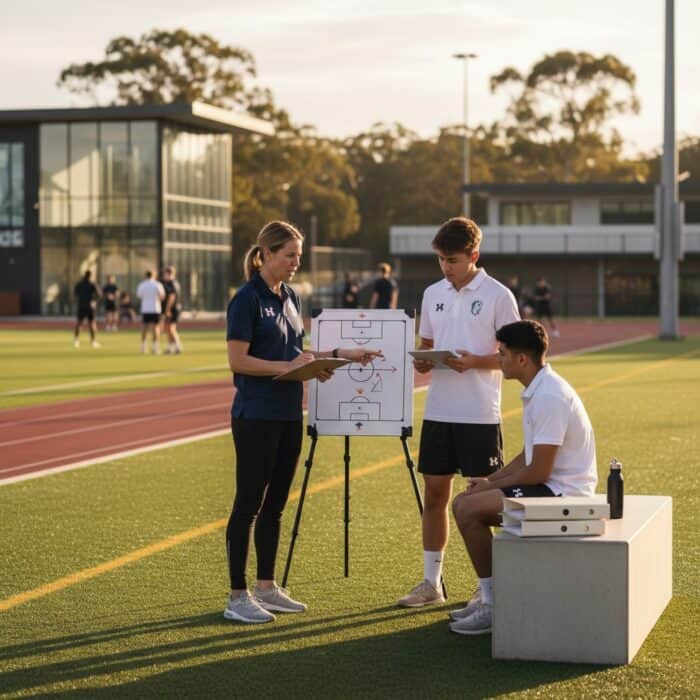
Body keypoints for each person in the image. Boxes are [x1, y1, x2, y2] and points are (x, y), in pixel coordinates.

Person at [224, 220, 383, 624]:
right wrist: (289, 366)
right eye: (290, 255)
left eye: (298, 255)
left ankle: (266, 587)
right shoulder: (245, 299)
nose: (296, 263)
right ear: (266, 255)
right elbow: (238, 361)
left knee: (276, 506)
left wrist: (340, 354)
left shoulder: (289, 295)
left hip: (289, 413)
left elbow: (297, 351)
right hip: (256, 415)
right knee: (248, 504)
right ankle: (237, 596)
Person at [398, 217, 520, 609]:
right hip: (439, 411)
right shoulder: (433, 292)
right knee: (434, 495)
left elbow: (516, 357)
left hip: (480, 414)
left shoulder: (500, 296)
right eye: (440, 260)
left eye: (451, 260)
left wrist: (477, 362)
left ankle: (490, 588)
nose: (445, 267)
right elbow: (428, 343)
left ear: (474, 256)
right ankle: (431, 583)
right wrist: (423, 361)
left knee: (481, 503)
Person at [449, 320, 597, 635]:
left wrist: (492, 485)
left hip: (564, 495)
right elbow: (527, 458)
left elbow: (538, 471)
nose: (497, 359)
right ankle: (490, 594)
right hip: (549, 486)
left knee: (466, 508)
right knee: (464, 501)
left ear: (521, 360)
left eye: (502, 354)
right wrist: (490, 480)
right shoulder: (540, 388)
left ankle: (494, 602)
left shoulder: (549, 396)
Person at [136, 270, 165, 354]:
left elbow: (139, 295)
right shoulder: (157, 284)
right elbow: (162, 296)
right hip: (155, 308)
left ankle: (143, 347)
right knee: (155, 328)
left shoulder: (142, 285)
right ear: (154, 275)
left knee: (144, 328)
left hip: (145, 309)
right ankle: (155, 347)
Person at [73, 270, 101, 348]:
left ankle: (76, 340)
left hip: (81, 306)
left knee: (79, 323)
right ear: (91, 276)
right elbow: (99, 294)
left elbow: (75, 294)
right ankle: (93, 341)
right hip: (90, 306)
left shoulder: (79, 284)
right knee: (92, 323)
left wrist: (80, 300)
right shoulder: (92, 284)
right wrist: (94, 301)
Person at [161, 265, 183, 354]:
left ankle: (178, 346)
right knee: (168, 328)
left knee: (171, 328)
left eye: (165, 273)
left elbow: (172, 297)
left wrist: (167, 310)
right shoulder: (174, 283)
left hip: (173, 309)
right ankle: (171, 347)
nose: (164, 275)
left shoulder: (171, 283)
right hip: (174, 308)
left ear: (168, 273)